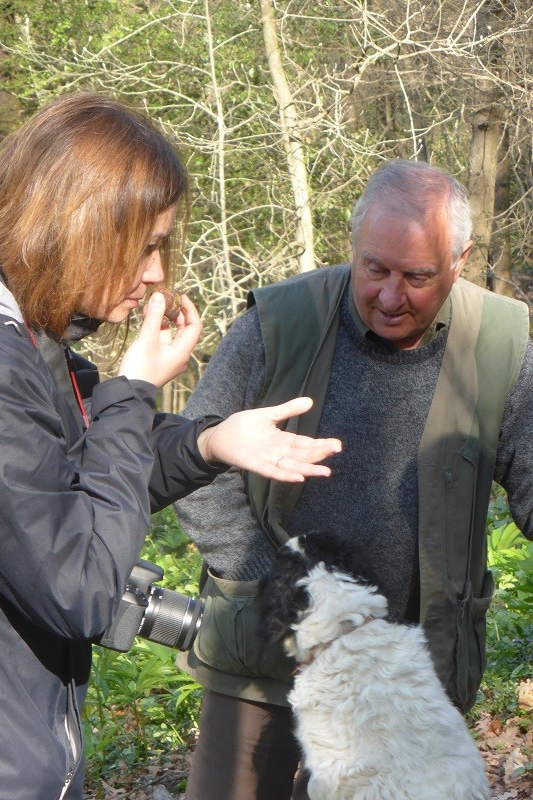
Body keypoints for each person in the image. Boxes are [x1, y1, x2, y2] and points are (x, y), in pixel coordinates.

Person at [0, 92, 343, 800]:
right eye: (146, 245)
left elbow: (85, 474)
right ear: (79, 226)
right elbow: (82, 588)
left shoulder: (23, 326)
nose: (156, 273)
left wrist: (211, 442)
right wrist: (133, 388)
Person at [174, 159, 533, 800]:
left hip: (405, 678)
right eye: (375, 269)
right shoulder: (279, 324)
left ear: (462, 259)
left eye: (417, 277)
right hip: (262, 657)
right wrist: (283, 592)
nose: (390, 297)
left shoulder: (503, 347)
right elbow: (198, 465)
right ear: (353, 243)